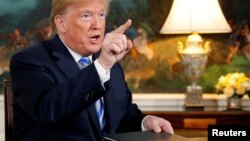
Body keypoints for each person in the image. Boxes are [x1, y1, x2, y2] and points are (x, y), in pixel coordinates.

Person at [10, 0, 174, 140]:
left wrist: (144, 122)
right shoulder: (29, 61)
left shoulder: (108, 63)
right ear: (61, 23)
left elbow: (122, 115)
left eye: (101, 15)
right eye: (86, 16)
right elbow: (48, 111)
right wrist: (102, 66)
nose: (97, 25)